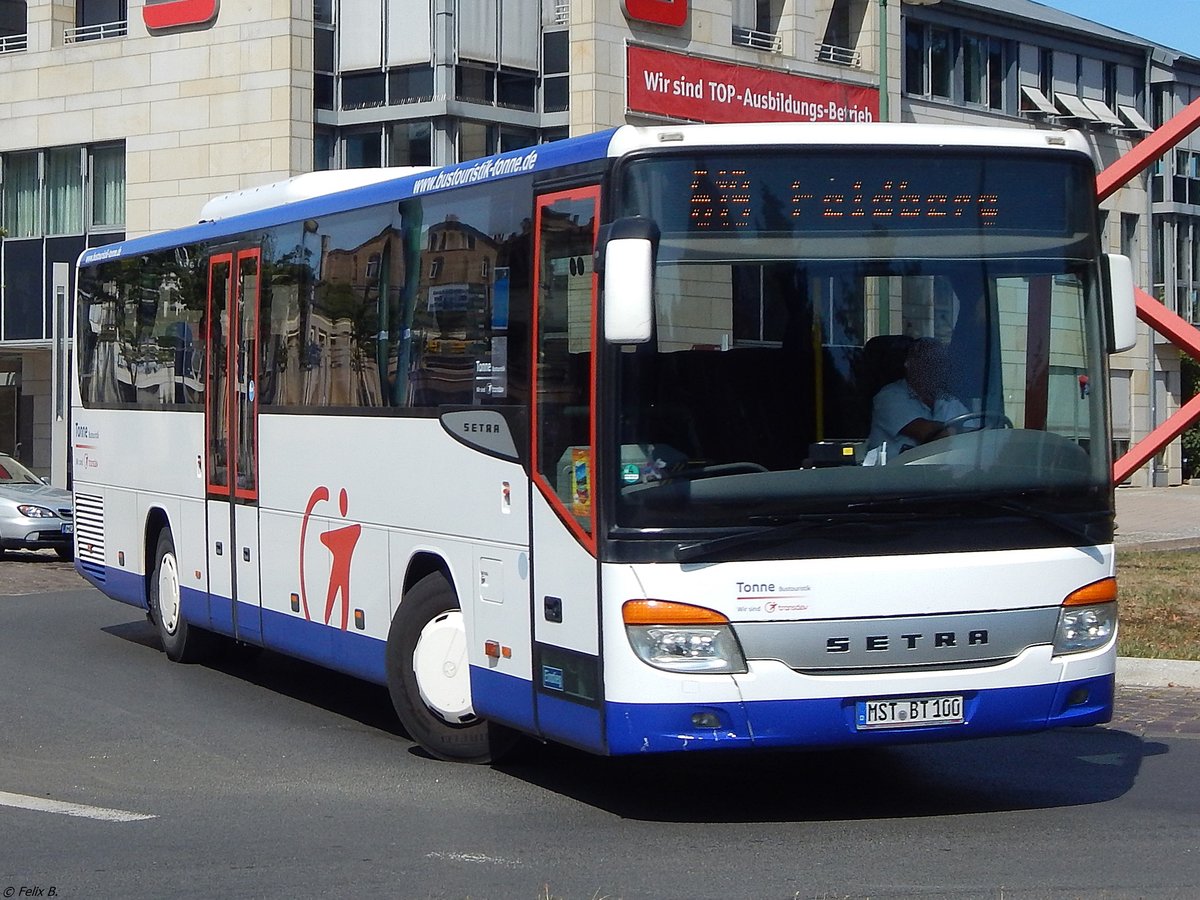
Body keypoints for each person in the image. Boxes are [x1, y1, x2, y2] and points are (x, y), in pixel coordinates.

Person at [867, 337, 968, 458]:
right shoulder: (889, 396)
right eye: (926, 361)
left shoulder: (948, 399)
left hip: (941, 472)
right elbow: (928, 433)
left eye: (938, 362)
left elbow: (975, 434)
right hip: (894, 474)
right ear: (909, 363)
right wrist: (959, 431)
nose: (932, 367)